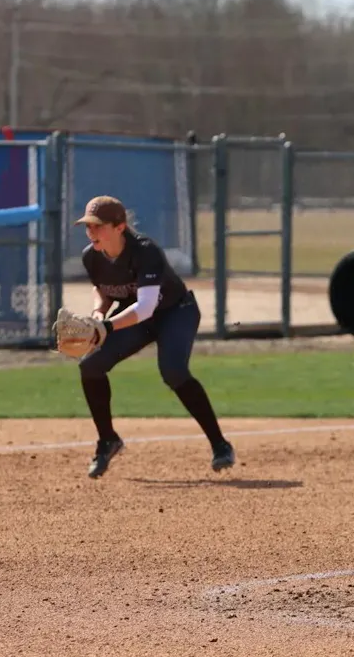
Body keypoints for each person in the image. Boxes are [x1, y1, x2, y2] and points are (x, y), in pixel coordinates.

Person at [73, 195, 235, 478]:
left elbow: (146, 307)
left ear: (120, 226)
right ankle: (107, 440)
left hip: (176, 312)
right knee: (90, 366)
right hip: (136, 317)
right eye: (88, 226)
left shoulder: (145, 251)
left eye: (98, 226)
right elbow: (102, 289)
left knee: (173, 371)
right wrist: (99, 314)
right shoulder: (91, 256)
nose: (91, 232)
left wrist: (107, 327)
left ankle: (220, 445)